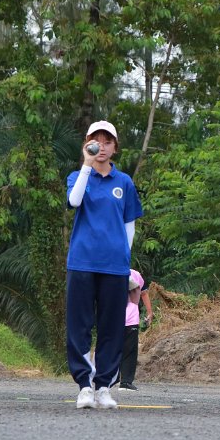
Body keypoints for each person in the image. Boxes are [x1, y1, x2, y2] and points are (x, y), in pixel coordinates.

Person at [66, 120, 143, 409]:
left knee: (112, 327)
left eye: (107, 141)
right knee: (79, 325)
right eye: (96, 141)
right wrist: (87, 164)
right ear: (87, 143)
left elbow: (129, 226)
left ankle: (104, 388)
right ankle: (85, 386)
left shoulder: (124, 182)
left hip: (114, 266)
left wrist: (125, 260)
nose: (102, 146)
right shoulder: (78, 176)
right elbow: (74, 202)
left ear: (114, 147)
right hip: (82, 262)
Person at [119, 268, 153, 392]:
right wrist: (150, 313)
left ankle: (120, 381)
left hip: (118, 319)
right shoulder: (134, 274)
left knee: (121, 349)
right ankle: (125, 382)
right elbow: (144, 292)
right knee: (129, 351)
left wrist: (150, 313)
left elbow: (144, 292)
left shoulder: (108, 271)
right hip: (125, 319)